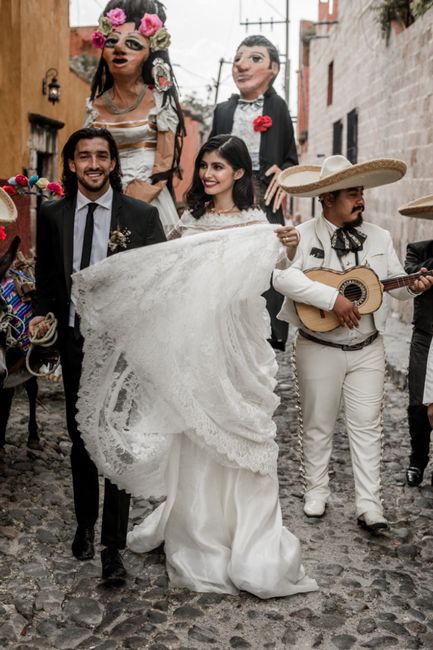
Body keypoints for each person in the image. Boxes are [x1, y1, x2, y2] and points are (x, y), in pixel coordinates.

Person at [71, 134, 317, 598]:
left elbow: (276, 271)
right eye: (204, 165)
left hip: (236, 340)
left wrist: (286, 248)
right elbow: (171, 273)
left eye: (218, 167)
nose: (207, 174)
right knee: (195, 429)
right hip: (194, 340)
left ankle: (248, 537)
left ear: (239, 173)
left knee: (241, 428)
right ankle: (197, 533)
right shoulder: (190, 220)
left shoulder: (255, 222)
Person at [29, 127, 166, 583]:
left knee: (117, 441)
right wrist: (42, 315)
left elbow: (157, 283)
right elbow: (49, 280)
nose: (93, 164)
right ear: (70, 164)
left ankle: (113, 546)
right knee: (82, 434)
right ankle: (85, 524)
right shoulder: (51, 214)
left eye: (101, 156)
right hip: (73, 342)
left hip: (123, 348)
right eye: (84, 156)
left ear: (113, 163)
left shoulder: (141, 216)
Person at [273, 155, 433, 532]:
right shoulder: (304, 233)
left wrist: (414, 285)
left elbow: (394, 284)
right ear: (328, 198)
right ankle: (316, 491)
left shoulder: (379, 237)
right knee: (317, 422)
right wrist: (332, 299)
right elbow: (282, 278)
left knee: (367, 425)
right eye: (352, 193)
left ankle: (369, 503)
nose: (360, 200)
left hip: (368, 348)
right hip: (318, 345)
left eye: (361, 192)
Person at [209, 34, 298, 351]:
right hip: (227, 192)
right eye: (237, 59)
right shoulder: (222, 110)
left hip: (263, 192)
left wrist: (285, 171)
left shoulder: (278, 106)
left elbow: (290, 155)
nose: (242, 65)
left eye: (255, 58)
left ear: (273, 69)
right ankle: (223, 325)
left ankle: (269, 329)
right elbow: (210, 153)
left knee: (266, 261)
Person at [85, 0, 185, 234]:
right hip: (101, 198)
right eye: (112, 41)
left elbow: (164, 162)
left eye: (132, 43)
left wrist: (137, 198)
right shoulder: (93, 106)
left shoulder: (161, 101)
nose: (120, 49)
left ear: (150, 52)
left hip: (148, 200)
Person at [399, 194, 433, 486]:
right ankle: (418, 459)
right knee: (418, 403)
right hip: (426, 335)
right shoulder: (418, 251)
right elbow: (410, 277)